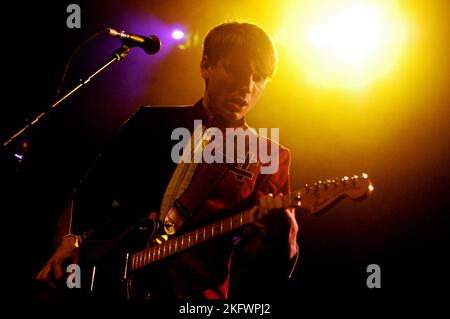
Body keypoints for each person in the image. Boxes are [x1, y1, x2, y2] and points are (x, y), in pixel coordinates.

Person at [36, 21, 299, 300]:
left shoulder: (266, 153)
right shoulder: (151, 122)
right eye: (236, 71)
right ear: (206, 66)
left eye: (259, 77)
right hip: (108, 283)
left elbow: (269, 267)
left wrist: (285, 235)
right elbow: (91, 190)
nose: (247, 87)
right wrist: (68, 240)